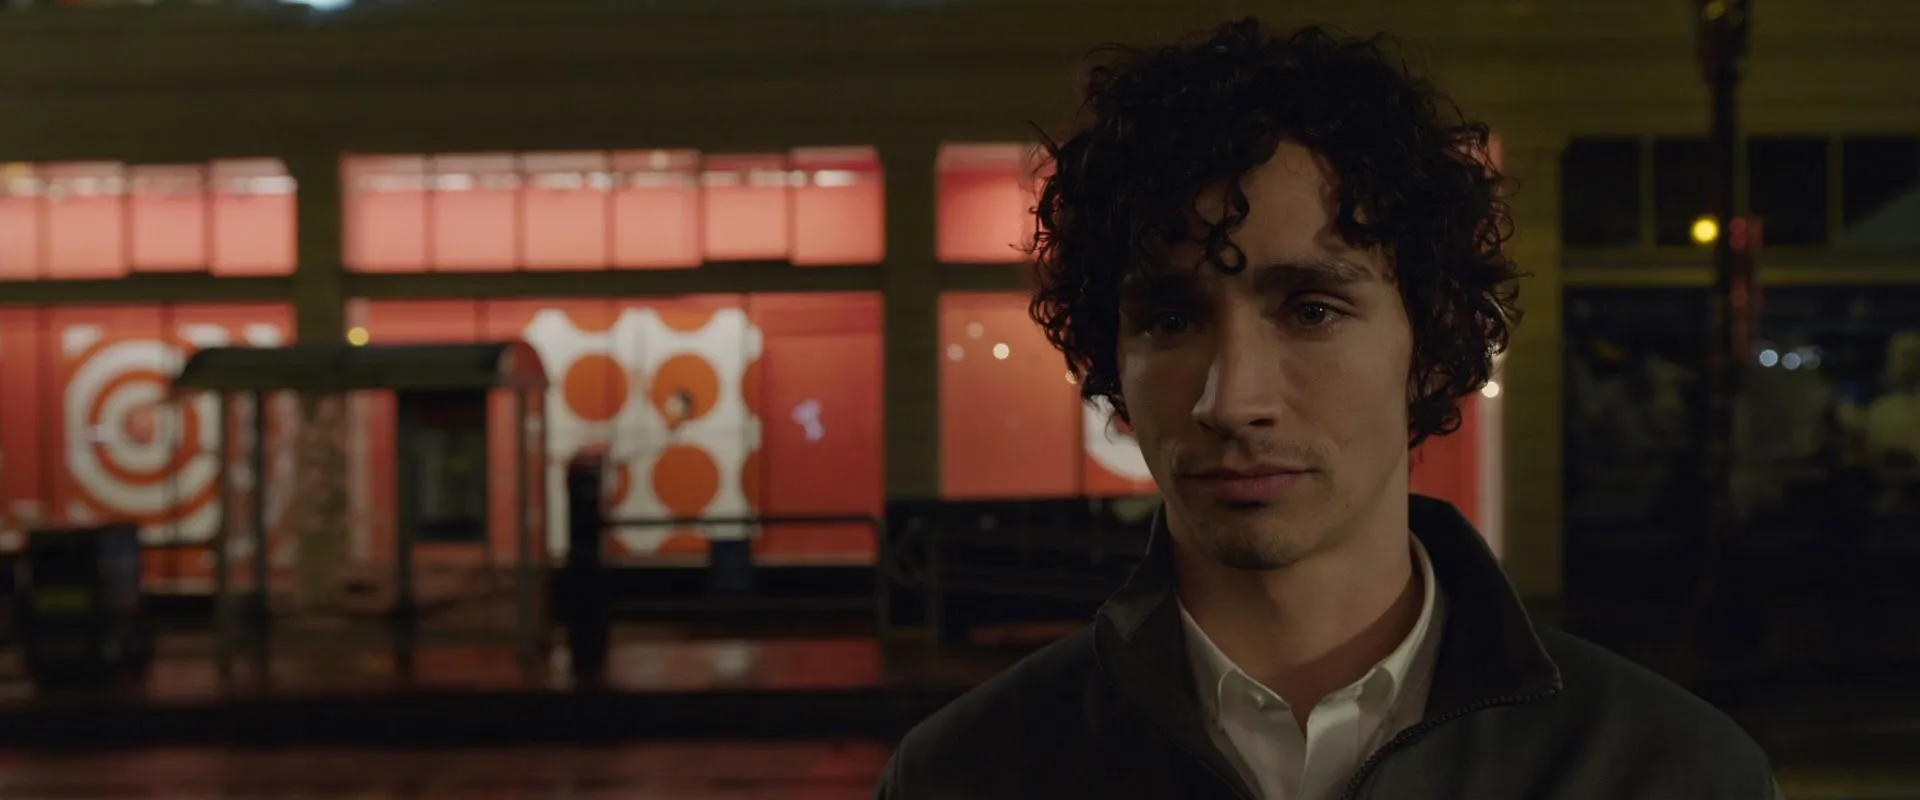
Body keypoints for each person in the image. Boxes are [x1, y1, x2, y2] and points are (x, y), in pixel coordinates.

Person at [876, 18, 1781, 800]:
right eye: (1171, 318)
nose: (1232, 399)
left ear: (1429, 338)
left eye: (1311, 310)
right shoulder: (968, 774)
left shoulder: (1662, 772)